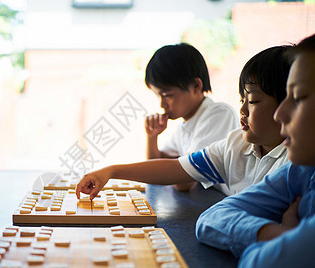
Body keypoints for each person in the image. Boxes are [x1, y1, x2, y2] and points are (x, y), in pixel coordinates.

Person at [76, 45, 291, 200]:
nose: (242, 110)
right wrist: (111, 170)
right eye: (241, 100)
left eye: (252, 101)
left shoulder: (218, 115)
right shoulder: (234, 144)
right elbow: (173, 168)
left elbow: (184, 182)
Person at [195, 34, 315, 268]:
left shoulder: (291, 159)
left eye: (299, 97)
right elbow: (210, 218)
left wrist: (276, 245)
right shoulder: (303, 170)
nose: (282, 114)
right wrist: (278, 235)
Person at [144, 43, 238, 191]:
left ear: (196, 86)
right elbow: (154, 169)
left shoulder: (219, 115)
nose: (162, 104)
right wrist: (152, 137)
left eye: (167, 95)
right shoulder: (185, 125)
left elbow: (184, 182)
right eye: (158, 96)